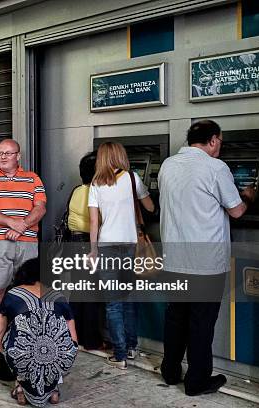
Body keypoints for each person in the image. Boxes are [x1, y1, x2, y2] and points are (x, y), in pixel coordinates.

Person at [158, 120, 256, 396]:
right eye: (220, 142)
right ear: (213, 140)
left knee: (176, 318)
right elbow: (236, 211)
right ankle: (197, 381)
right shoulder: (216, 168)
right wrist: (248, 195)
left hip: (174, 258)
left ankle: (170, 372)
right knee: (201, 323)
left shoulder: (168, 165)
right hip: (206, 262)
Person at [88, 142, 154, 369]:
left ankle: (120, 354)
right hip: (130, 245)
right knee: (128, 300)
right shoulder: (133, 178)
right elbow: (151, 208)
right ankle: (133, 347)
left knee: (112, 304)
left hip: (106, 245)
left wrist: (93, 251)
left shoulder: (95, 184)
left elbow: (95, 222)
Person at [0, 139, 47, 338]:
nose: (3, 157)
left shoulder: (33, 178)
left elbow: (40, 208)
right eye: (0, 153)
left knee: (28, 289)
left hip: (27, 242)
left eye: (8, 153)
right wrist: (11, 223)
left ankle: (24, 335)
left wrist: (22, 225)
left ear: (18, 156)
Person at [0, 258, 78, 406]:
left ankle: (20, 386)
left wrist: (12, 360)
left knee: (10, 335)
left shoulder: (13, 294)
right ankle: (54, 388)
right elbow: (73, 341)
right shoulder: (59, 296)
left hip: (23, 358)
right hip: (59, 360)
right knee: (59, 344)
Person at [66, 152, 109, 350]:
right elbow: (99, 221)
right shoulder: (96, 192)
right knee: (91, 295)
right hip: (87, 245)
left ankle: (75, 336)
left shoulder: (76, 190)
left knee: (78, 293)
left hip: (74, 243)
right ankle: (92, 340)